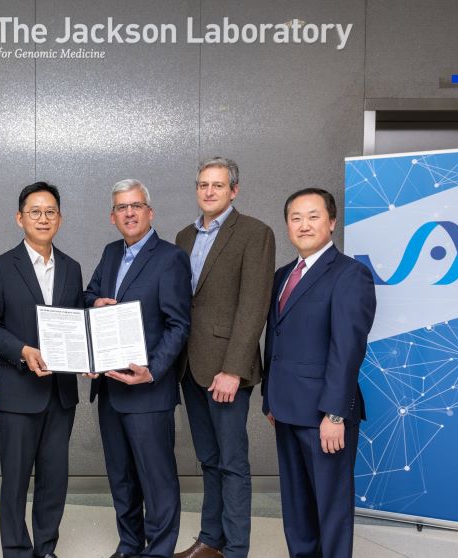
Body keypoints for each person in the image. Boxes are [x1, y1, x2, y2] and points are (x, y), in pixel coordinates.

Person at [261, 188, 376, 558]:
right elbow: (276, 341)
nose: (304, 225)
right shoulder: (282, 275)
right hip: (286, 409)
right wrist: (270, 399)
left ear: (332, 222)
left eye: (313, 216)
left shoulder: (350, 274)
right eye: (296, 218)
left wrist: (334, 414)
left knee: (331, 508)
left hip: (325, 415)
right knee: (297, 509)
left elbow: (348, 350)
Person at [84, 179, 192, 558]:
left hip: (148, 390)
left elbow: (179, 324)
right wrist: (94, 302)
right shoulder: (111, 252)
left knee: (157, 479)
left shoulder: (171, 257)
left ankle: (158, 551)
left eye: (135, 205)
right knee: (122, 478)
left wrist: (153, 370)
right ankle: (130, 545)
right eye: (121, 207)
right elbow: (88, 294)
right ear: (112, 216)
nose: (128, 213)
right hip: (111, 391)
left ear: (150, 212)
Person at [173, 158, 274, 558]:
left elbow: (254, 306)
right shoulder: (184, 236)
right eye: (203, 185)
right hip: (189, 367)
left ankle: (236, 549)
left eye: (218, 185)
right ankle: (210, 539)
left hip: (228, 369)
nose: (209, 191)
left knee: (232, 461)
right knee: (209, 459)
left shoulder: (254, 233)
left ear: (234, 190)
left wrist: (233, 369)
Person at [0, 182, 85, 558]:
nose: (43, 218)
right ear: (19, 217)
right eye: (35, 211)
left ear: (60, 218)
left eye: (50, 211)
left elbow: (76, 322)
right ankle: (17, 550)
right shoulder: (0, 268)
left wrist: (89, 352)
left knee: (54, 479)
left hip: (61, 394)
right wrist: (22, 351)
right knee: (16, 481)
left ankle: (46, 548)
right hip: (19, 392)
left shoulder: (72, 268)